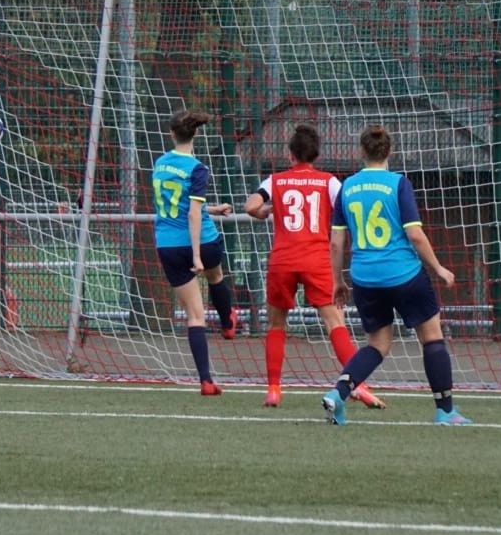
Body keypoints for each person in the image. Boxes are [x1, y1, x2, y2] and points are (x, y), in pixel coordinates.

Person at [321, 125, 471, 426]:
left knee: (377, 345)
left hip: (365, 278)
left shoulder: (347, 187)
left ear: (361, 151)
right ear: (390, 151)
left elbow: (336, 242)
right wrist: (438, 268)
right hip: (403, 274)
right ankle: (445, 411)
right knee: (432, 337)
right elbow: (414, 235)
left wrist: (338, 281)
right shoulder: (398, 184)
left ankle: (338, 393)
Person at [243, 123, 382, 410]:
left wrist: (262, 212)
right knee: (335, 323)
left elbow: (250, 206)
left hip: (283, 259)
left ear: (290, 154)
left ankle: (273, 390)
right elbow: (347, 209)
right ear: (317, 155)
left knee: (276, 324)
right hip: (316, 259)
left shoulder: (275, 180)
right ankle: (358, 385)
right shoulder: (329, 182)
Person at [150, 110, 237, 395]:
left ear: (172, 134)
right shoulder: (197, 168)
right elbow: (192, 213)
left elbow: (177, 204)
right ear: (196, 133)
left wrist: (212, 208)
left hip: (168, 245)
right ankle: (227, 323)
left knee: (195, 316)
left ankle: (206, 380)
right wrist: (197, 255)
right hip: (201, 242)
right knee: (216, 276)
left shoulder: (160, 164)